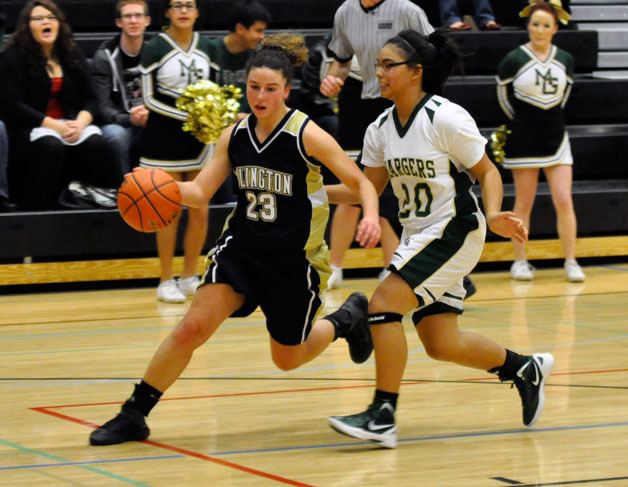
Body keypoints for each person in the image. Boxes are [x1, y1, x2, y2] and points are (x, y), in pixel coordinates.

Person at [88, 35, 382, 446]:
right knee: (191, 328)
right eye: (253, 88)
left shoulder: (307, 135)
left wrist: (369, 215)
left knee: (287, 358)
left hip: (292, 261)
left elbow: (361, 184)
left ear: (286, 90)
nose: (260, 97)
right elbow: (199, 193)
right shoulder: (235, 134)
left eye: (270, 89)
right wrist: (152, 186)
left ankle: (347, 319)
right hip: (241, 250)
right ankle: (133, 413)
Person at [325, 29, 554, 449]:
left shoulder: (445, 117)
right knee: (441, 342)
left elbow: (486, 171)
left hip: (455, 229)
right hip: (420, 235)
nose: (380, 72)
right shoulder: (379, 128)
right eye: (377, 65)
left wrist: (493, 212)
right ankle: (524, 368)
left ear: (416, 72)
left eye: (388, 65)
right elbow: (367, 189)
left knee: (382, 303)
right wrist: (309, 193)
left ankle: (383, 414)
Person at [320, 0, 434, 290]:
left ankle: (396, 264)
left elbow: (433, 58)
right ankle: (334, 265)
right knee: (353, 183)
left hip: (401, 102)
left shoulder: (407, 9)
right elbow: (342, 60)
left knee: (395, 191)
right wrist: (333, 78)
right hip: (359, 102)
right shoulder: (345, 11)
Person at [0, 0, 122, 210]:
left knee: (95, 142)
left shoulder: (71, 54)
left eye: (50, 17)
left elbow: (92, 98)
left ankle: (89, 196)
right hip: (32, 126)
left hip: (70, 122)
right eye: (38, 19)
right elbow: (13, 104)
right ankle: (39, 206)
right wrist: (53, 125)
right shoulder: (13, 58)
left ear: (59, 23)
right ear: (27, 26)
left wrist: (80, 123)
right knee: (50, 145)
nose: (45, 22)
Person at [497, 0, 585, 282]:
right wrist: (523, 123)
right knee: (523, 204)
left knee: (563, 199)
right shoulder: (513, 60)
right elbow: (504, 101)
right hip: (524, 138)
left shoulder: (566, 60)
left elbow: (564, 97)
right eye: (535, 24)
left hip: (556, 136)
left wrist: (548, 120)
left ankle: (571, 260)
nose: (539, 30)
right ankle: (520, 261)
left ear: (555, 29)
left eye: (546, 25)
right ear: (528, 26)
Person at [138, 0, 216, 303]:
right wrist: (189, 117)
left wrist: (210, 119)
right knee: (167, 212)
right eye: (177, 5)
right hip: (163, 140)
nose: (183, 10)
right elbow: (149, 98)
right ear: (168, 12)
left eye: (189, 5)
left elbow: (219, 89)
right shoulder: (155, 47)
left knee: (200, 210)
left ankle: (189, 275)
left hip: (199, 140)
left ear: (197, 12)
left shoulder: (210, 46)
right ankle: (165, 278)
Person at [206, 0, 270, 203]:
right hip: (215, 126)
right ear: (240, 28)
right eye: (258, 31)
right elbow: (202, 100)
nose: (262, 37)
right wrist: (231, 117)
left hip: (249, 124)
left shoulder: (258, 57)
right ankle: (225, 204)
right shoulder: (211, 51)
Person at [91, 0, 151, 174]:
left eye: (138, 15)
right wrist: (129, 119)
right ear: (119, 22)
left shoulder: (155, 52)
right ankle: (124, 191)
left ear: (147, 20)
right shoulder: (104, 56)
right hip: (119, 123)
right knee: (116, 136)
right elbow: (103, 108)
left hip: (150, 119)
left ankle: (163, 190)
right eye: (127, 16)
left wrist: (152, 114)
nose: (133, 21)